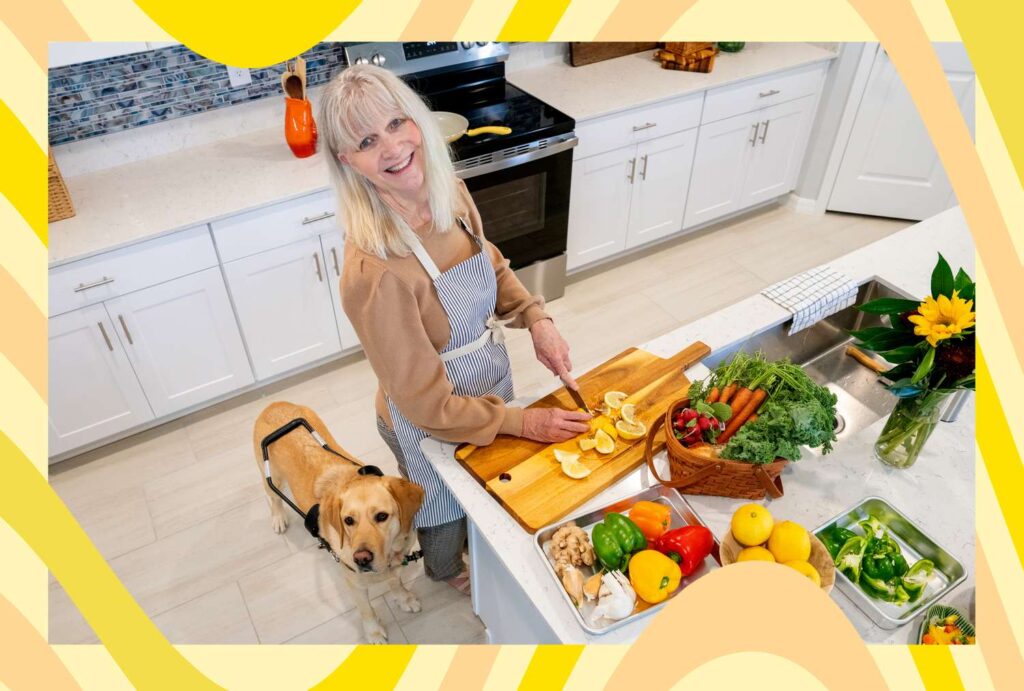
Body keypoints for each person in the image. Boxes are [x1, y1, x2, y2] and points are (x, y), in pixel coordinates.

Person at [317, 65, 591, 593]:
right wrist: (523, 424)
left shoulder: (451, 194)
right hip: (426, 421)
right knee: (442, 526)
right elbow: (425, 405)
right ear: (347, 161)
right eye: (367, 141)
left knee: (490, 489)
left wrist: (536, 318)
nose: (393, 148)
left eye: (398, 123)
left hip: (485, 387)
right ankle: (448, 571)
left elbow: (488, 264)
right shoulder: (373, 270)